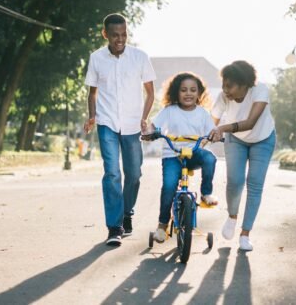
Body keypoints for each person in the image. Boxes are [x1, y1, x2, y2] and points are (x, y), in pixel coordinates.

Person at [83, 13, 156, 246]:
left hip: (133, 124)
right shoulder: (96, 58)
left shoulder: (140, 57)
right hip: (106, 123)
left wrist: (144, 118)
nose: (120, 39)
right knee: (112, 173)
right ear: (105, 34)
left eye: (124, 34)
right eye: (115, 35)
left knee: (134, 174)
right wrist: (92, 116)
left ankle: (127, 213)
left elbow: (150, 92)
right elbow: (92, 92)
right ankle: (114, 227)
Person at [209, 60, 276, 251]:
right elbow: (210, 123)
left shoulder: (260, 90)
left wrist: (222, 128)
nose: (225, 90)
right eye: (223, 85)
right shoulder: (224, 97)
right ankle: (232, 216)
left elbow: (250, 122)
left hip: (263, 139)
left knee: (254, 184)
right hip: (236, 140)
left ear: (244, 84)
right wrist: (202, 138)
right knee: (235, 181)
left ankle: (245, 234)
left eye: (230, 86)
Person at [146, 72, 218, 243]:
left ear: (199, 93)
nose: (188, 93)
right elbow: (153, 126)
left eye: (193, 90)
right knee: (169, 187)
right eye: (183, 90)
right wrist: (150, 132)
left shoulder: (202, 113)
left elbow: (211, 131)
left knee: (210, 158)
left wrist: (215, 134)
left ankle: (206, 193)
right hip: (172, 155)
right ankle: (162, 226)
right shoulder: (169, 111)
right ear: (176, 93)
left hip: (194, 153)